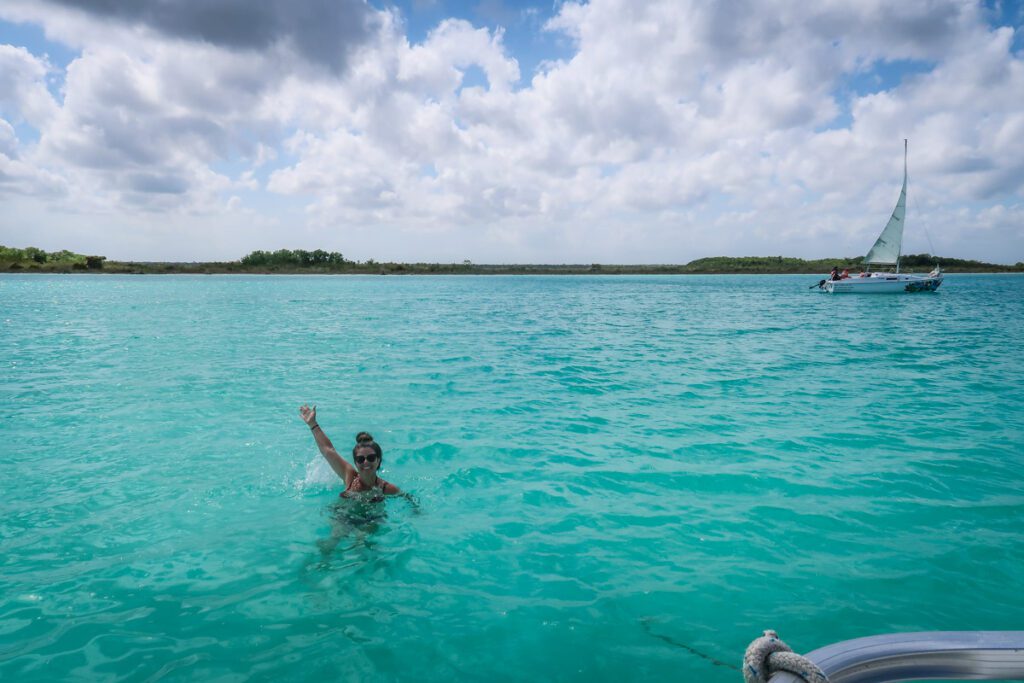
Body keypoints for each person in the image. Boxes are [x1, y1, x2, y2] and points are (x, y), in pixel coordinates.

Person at [299, 404, 402, 500]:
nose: (365, 462)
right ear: (355, 462)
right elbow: (328, 450)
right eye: (360, 459)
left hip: (374, 519)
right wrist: (313, 424)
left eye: (371, 458)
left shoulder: (386, 488)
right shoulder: (350, 476)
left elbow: (407, 498)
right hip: (342, 518)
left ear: (378, 460)